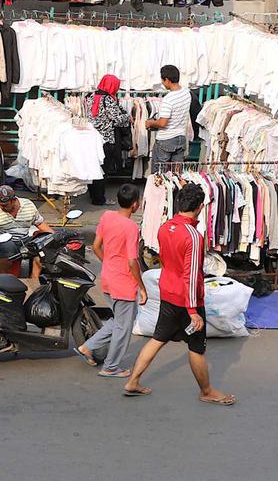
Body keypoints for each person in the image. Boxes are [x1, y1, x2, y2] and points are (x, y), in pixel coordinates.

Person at [123, 183, 236, 405]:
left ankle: (132, 381)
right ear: (200, 207)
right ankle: (207, 391)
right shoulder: (193, 236)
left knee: (158, 338)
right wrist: (193, 312)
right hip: (187, 300)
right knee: (196, 347)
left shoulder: (165, 227)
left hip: (168, 292)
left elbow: (166, 260)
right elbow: (192, 276)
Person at [75, 184, 148, 377]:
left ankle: (88, 347)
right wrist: (142, 288)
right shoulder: (131, 227)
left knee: (118, 320)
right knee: (123, 328)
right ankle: (111, 367)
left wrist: (109, 263)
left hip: (107, 278)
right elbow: (133, 261)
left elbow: (97, 246)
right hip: (123, 283)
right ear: (135, 205)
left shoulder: (107, 216)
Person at [0, 186, 51, 278]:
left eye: (4, 205)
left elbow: (41, 224)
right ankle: (5, 278)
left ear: (14, 200)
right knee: (8, 246)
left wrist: (54, 237)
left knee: (42, 244)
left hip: (23, 240)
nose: (1, 207)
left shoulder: (28, 205)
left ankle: (34, 280)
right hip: (1, 244)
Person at [84, 74, 131, 206]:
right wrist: (128, 117)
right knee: (103, 170)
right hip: (106, 140)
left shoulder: (90, 97)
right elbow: (116, 119)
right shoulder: (108, 100)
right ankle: (99, 199)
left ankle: (93, 195)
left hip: (92, 139)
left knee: (94, 168)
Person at [146, 65, 191, 173]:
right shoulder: (186, 93)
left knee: (159, 175)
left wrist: (150, 123)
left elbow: (162, 123)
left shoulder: (168, 99)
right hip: (180, 138)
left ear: (167, 80)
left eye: (162, 80)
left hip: (165, 140)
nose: (162, 83)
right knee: (176, 174)